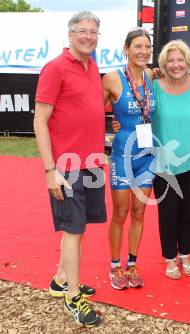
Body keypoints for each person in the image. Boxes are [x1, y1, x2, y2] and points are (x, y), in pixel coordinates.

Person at [33, 11, 105, 327]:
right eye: (83, 31)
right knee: (73, 231)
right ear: (70, 33)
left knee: (78, 229)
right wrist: (50, 170)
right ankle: (73, 297)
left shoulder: (93, 67)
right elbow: (39, 121)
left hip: (91, 164)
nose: (88, 36)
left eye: (93, 32)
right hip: (66, 167)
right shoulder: (55, 68)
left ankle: (60, 280)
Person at [153, 39, 190, 279]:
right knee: (168, 213)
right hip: (164, 163)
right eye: (170, 60)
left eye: (180, 59)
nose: (176, 64)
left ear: (188, 61)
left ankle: (185, 254)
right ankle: (169, 259)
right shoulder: (154, 86)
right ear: (163, 63)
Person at [102, 28, 155, 290]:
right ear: (126, 48)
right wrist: (111, 126)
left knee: (139, 211)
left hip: (146, 156)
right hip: (122, 154)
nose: (143, 51)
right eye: (137, 46)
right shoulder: (112, 78)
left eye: (147, 46)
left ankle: (132, 263)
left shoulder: (153, 76)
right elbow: (93, 111)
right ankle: (115, 266)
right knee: (121, 212)